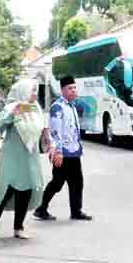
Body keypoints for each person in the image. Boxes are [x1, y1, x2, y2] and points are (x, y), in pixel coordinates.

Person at [0, 79, 49, 239]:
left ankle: (18, 227)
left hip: (30, 157)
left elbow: (43, 129)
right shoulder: (11, 107)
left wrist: (49, 140)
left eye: (35, 91)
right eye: (32, 91)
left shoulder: (37, 109)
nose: (35, 94)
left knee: (26, 191)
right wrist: (13, 114)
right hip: (12, 157)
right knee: (4, 191)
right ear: (23, 92)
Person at [34, 76, 92, 221]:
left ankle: (76, 211)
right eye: (69, 88)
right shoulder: (57, 107)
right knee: (57, 183)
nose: (73, 90)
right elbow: (55, 132)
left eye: (74, 88)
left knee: (77, 182)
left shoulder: (71, 106)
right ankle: (41, 209)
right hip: (62, 153)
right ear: (62, 90)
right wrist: (57, 151)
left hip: (74, 152)